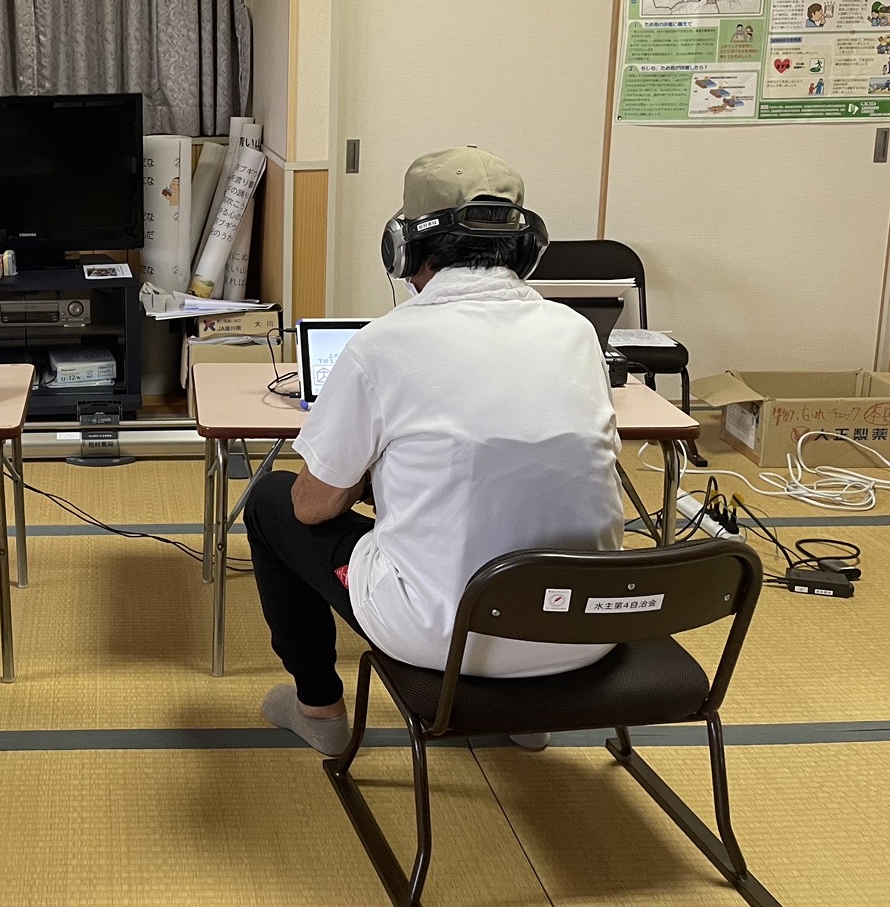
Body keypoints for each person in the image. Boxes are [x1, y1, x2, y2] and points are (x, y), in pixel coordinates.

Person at [246, 146, 621, 756]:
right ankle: (529, 714)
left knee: (271, 501)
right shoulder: (576, 333)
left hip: (443, 634)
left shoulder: (382, 345)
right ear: (526, 247)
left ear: (404, 248)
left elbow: (313, 507)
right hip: (583, 627)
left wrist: (368, 474)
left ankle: (319, 710)